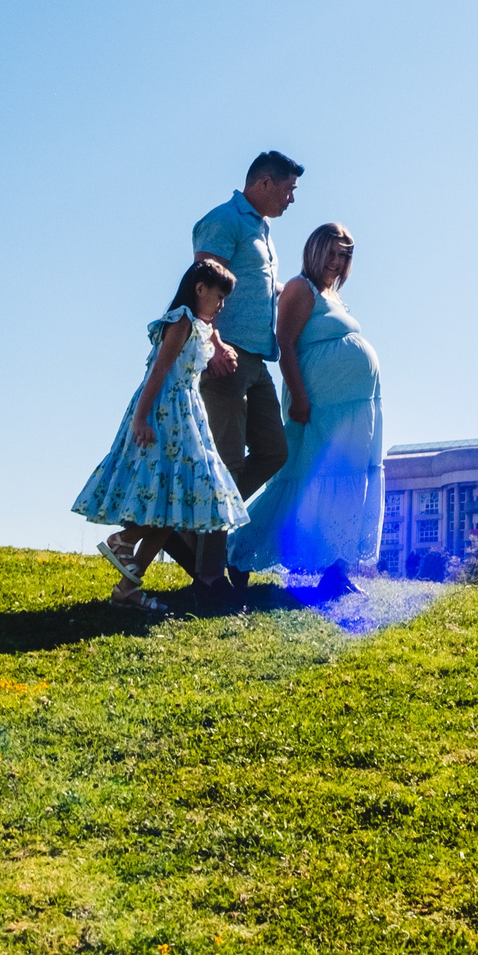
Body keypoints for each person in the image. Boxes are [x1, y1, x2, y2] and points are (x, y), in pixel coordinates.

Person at [71, 259, 250, 611]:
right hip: (165, 413)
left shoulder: (197, 326)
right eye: (218, 296)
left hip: (187, 413)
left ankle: (128, 589)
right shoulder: (182, 319)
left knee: (175, 506)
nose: (221, 304)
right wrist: (141, 419)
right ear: (199, 289)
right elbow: (159, 371)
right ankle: (123, 538)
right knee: (169, 498)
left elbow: (187, 371)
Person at [227, 222, 387, 593]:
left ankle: (336, 574)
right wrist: (299, 397)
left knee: (349, 480)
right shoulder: (302, 289)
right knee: (303, 481)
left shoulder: (333, 295)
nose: (336, 261)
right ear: (314, 251)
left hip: (355, 408)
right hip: (319, 405)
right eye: (330, 253)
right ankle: (238, 550)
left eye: (343, 255)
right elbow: (285, 343)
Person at [184, 149, 303, 593]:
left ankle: (200, 532)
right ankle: (209, 573)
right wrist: (213, 345)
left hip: (257, 359)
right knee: (229, 462)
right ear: (266, 183)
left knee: (274, 451)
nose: (292, 199)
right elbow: (202, 288)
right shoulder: (225, 219)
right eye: (289, 189)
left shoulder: (263, 230)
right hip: (225, 357)